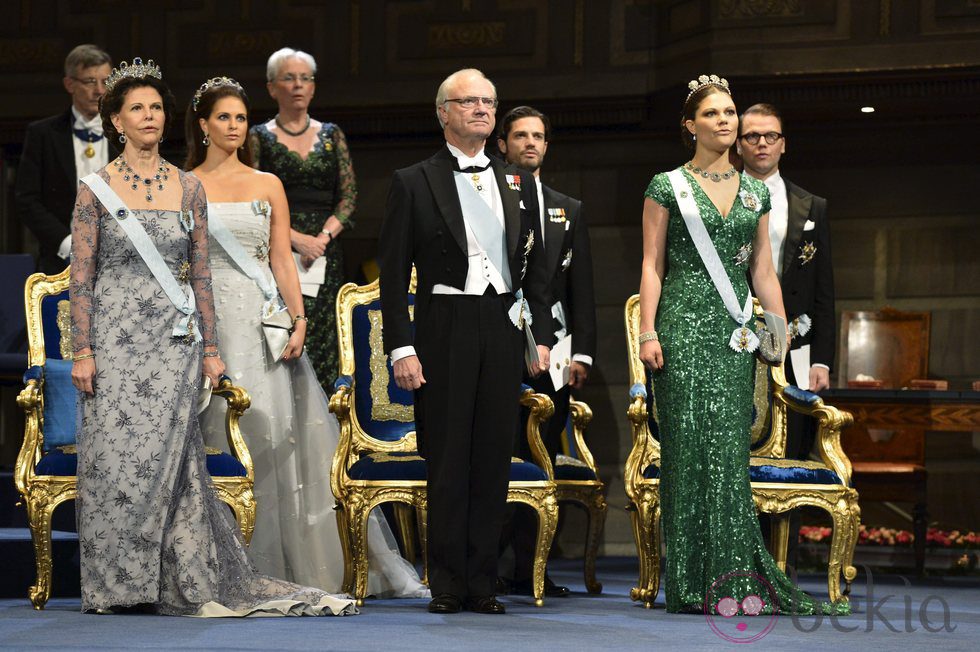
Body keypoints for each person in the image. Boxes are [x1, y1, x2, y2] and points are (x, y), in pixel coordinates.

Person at [68, 57, 355, 617]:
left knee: (172, 469)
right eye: (136, 109)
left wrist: (211, 349)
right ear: (116, 121)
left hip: (174, 346)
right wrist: (82, 350)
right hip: (113, 345)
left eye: (155, 108)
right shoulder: (95, 190)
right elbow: (81, 278)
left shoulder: (188, 187)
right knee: (115, 465)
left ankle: (169, 580)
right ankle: (115, 587)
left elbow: (200, 276)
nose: (149, 117)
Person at [186, 77, 427, 598]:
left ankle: (290, 565)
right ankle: (217, 562)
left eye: (240, 118)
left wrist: (297, 320)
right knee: (216, 437)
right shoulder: (184, 185)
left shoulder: (267, 182)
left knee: (276, 438)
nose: (233, 127)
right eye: (223, 118)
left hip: (261, 323)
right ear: (202, 125)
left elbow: (280, 259)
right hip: (207, 324)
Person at [637, 75, 847, 615]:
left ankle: (735, 580)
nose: (726, 121)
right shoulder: (666, 185)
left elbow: (763, 271)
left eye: (730, 112)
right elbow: (652, 265)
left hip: (734, 337)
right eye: (712, 114)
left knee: (728, 457)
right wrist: (648, 331)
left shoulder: (755, 192)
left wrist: (775, 329)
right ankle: (689, 584)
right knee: (689, 455)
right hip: (682, 332)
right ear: (690, 126)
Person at [378, 68, 552, 615]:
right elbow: (391, 273)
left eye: (488, 101)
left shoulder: (514, 181)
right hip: (444, 321)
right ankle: (448, 582)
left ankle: (483, 581)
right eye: (469, 101)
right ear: (443, 112)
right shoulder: (413, 180)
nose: (481, 109)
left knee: (492, 454)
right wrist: (400, 347)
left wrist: (539, 336)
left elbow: (533, 272)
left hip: (500, 325)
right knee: (450, 455)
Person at [496, 105, 596, 598]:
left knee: (543, 458)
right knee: (496, 454)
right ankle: (488, 564)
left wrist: (584, 355)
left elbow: (581, 288)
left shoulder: (567, 207)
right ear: (502, 144)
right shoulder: (488, 198)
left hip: (553, 351)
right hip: (495, 342)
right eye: (520, 136)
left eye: (538, 136)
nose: (530, 143)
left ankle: (530, 569)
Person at [737, 102, 836, 569]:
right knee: (739, 449)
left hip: (795, 343)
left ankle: (783, 563)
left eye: (769, 135)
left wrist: (823, 360)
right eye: (752, 136)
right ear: (738, 144)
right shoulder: (723, 196)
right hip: (735, 339)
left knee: (793, 448)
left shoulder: (811, 205)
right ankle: (739, 557)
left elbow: (824, 291)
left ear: (783, 143)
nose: (761, 143)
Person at [249, 47, 356, 391]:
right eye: (289, 78)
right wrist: (295, 238)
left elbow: (349, 196)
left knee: (328, 336)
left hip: (325, 255)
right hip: (278, 248)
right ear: (271, 87)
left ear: (313, 87)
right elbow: (252, 199)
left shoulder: (332, 134)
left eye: (305, 78)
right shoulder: (258, 137)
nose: (297, 85)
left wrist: (322, 238)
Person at [15, 44, 113, 274]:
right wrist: (67, 244)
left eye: (106, 81)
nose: (99, 90)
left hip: (122, 264)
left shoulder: (127, 134)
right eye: (90, 81)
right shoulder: (43, 134)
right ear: (70, 84)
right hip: (60, 264)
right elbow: (26, 199)